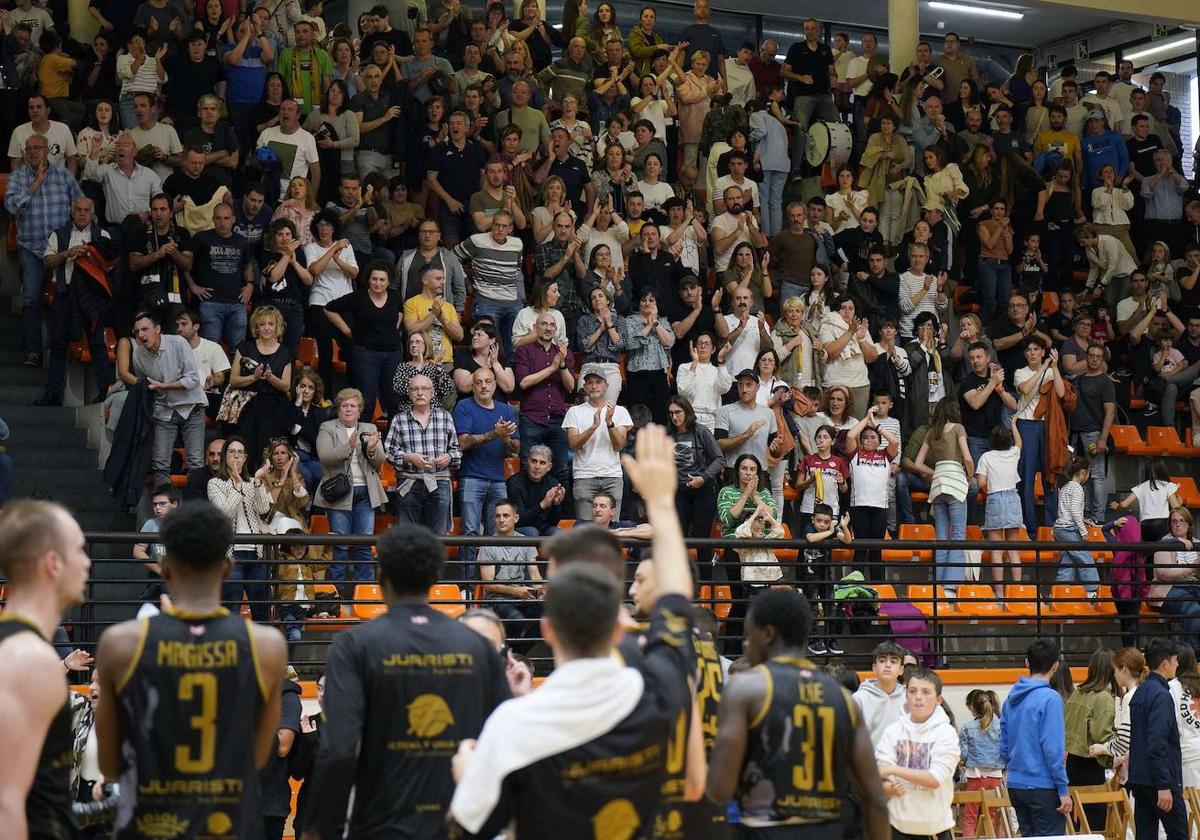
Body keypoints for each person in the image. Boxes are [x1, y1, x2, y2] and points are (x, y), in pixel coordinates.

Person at [449, 424, 695, 838]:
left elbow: (466, 826)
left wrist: (467, 773)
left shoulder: (513, 724)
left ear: (548, 629)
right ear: (619, 620)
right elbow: (676, 594)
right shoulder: (660, 684)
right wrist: (662, 503)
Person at [301, 524, 509, 840]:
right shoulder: (476, 645)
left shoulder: (354, 644)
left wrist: (320, 829)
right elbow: (503, 740)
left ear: (380, 575)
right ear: (436, 577)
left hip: (381, 827)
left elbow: (340, 749)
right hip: (460, 825)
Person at [95, 501, 287, 839]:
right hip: (229, 825)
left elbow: (109, 764)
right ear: (228, 568)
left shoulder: (120, 643)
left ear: (165, 566)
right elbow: (257, 757)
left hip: (148, 825)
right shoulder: (267, 645)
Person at [706, 586, 890, 839]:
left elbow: (719, 789)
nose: (746, 645)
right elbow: (876, 799)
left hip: (765, 830)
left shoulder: (746, 687)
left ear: (767, 634)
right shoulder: (842, 698)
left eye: (749, 637)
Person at [0, 500, 91, 839]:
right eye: (80, 550)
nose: (88, 562)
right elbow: (5, 801)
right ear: (53, 564)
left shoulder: (19, 648)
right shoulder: (31, 659)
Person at [5, 132, 83, 368]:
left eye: (37, 148)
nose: (32, 152)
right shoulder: (19, 177)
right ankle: (33, 353)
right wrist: (35, 184)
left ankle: (63, 350)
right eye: (28, 149)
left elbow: (82, 204)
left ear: (47, 150)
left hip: (60, 249)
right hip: (31, 246)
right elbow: (11, 206)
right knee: (30, 298)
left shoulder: (64, 176)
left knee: (66, 296)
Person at [38, 195, 115, 406]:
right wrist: (68, 253)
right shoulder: (59, 234)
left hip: (92, 297)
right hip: (65, 293)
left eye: (86, 210)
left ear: (92, 213)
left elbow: (110, 266)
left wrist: (91, 255)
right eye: (78, 210)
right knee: (58, 344)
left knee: (98, 344)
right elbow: (47, 261)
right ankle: (53, 394)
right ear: (72, 212)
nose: (82, 213)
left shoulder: (103, 234)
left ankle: (104, 393)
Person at [315, 388, 386, 597]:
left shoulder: (369, 427)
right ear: (338, 409)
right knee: (341, 546)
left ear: (359, 410)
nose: (348, 409)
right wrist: (349, 446)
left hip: (366, 493)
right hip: (339, 495)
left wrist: (372, 448)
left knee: (364, 546)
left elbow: (380, 460)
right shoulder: (327, 427)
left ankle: (364, 596)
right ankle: (335, 596)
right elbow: (325, 457)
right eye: (344, 405)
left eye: (352, 406)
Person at [876, 667, 960, 840]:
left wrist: (894, 770)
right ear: (906, 695)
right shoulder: (893, 731)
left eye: (926, 692)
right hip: (896, 827)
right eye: (912, 691)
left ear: (938, 699)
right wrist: (885, 787)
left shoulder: (946, 733)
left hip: (934, 830)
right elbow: (879, 772)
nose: (918, 697)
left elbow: (935, 779)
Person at [1000, 638, 1071, 837]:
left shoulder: (1011, 698)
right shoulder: (1051, 699)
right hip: (1043, 786)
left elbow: (1003, 745)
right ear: (1056, 666)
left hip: (1015, 783)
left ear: (1027, 663)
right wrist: (1063, 788)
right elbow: (1053, 748)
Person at [454, 366, 519, 575]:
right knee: (471, 532)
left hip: (498, 479)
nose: (483, 386)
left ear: (495, 384)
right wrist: (494, 433)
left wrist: (506, 438)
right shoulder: (464, 406)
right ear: (472, 386)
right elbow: (462, 442)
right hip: (471, 477)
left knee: (497, 534)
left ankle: (493, 586)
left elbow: (515, 449)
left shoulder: (506, 410)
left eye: (488, 381)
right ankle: (467, 585)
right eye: (478, 382)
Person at [131, 309, 208, 484]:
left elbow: (192, 380)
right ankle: (163, 507)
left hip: (191, 407)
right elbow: (144, 384)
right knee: (160, 464)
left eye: (145, 329)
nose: (141, 334)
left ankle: (195, 509)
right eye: (137, 331)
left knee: (195, 463)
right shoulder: (138, 355)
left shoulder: (178, 343)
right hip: (165, 410)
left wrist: (165, 386)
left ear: (157, 329)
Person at [384, 374, 461, 534]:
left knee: (438, 536)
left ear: (433, 393)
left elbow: (456, 451)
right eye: (415, 389)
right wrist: (407, 457)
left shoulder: (445, 417)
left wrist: (449, 457)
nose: (420, 393)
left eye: (424, 388)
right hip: (409, 482)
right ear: (409, 393)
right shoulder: (399, 419)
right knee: (407, 536)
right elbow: (388, 452)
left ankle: (435, 561)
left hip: (439, 482)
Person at [913, 396, 973, 595]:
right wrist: (968, 475)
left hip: (938, 486)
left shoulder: (932, 432)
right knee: (957, 536)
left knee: (940, 537)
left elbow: (917, 464)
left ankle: (939, 585)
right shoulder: (958, 429)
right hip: (956, 482)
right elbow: (967, 458)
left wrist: (935, 472)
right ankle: (951, 585)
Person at [1128, 637, 1186, 840]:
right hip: (1158, 781)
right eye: (1175, 660)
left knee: (1145, 835)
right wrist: (1164, 785)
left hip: (1139, 779)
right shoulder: (1161, 695)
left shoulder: (1140, 692)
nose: (1177, 664)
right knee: (1178, 833)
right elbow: (1157, 742)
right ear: (1165, 663)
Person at [514, 311, 575, 484]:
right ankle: (527, 511)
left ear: (556, 329)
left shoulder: (564, 353)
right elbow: (524, 383)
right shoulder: (524, 351)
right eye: (544, 324)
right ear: (535, 327)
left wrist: (561, 366)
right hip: (531, 418)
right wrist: (552, 368)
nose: (548, 328)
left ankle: (557, 510)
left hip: (557, 419)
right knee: (527, 468)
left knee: (561, 470)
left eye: (552, 325)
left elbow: (570, 386)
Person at [477, 499, 545, 650]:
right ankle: (512, 653)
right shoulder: (487, 544)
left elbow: (535, 575)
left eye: (506, 515)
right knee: (515, 619)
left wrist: (540, 591)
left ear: (516, 518)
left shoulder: (526, 542)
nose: (501, 520)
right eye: (498, 516)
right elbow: (489, 586)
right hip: (496, 600)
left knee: (549, 614)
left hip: (521, 596)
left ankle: (517, 652)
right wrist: (516, 591)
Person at [564, 370, 631, 520]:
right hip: (584, 476)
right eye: (590, 382)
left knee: (612, 532)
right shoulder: (574, 412)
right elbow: (573, 445)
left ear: (606, 386)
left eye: (598, 382)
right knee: (586, 532)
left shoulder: (619, 411)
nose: (594, 386)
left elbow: (619, 446)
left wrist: (609, 423)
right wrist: (593, 426)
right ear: (585, 387)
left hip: (612, 476)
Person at [1064, 647, 1117, 830]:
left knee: (1076, 820)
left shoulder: (1078, 692)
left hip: (1073, 760)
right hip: (1092, 762)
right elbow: (1101, 735)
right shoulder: (1103, 697)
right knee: (1095, 821)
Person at [975, 418, 1024, 598]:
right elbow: (1019, 442)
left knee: (996, 549)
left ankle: (1000, 592)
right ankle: (1017, 590)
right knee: (1013, 549)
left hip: (995, 498)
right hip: (1013, 498)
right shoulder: (1013, 453)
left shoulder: (986, 457)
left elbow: (980, 482)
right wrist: (1014, 425)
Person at [958, 689, 1005, 837]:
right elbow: (1006, 751)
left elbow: (963, 754)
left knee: (970, 817)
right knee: (993, 816)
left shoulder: (967, 727)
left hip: (974, 776)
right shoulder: (1001, 726)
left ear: (973, 708)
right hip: (995, 777)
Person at [853, 640, 907, 744]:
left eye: (893, 661)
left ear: (901, 670)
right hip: (869, 759)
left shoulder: (908, 699)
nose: (887, 665)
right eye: (882, 661)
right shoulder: (859, 699)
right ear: (874, 668)